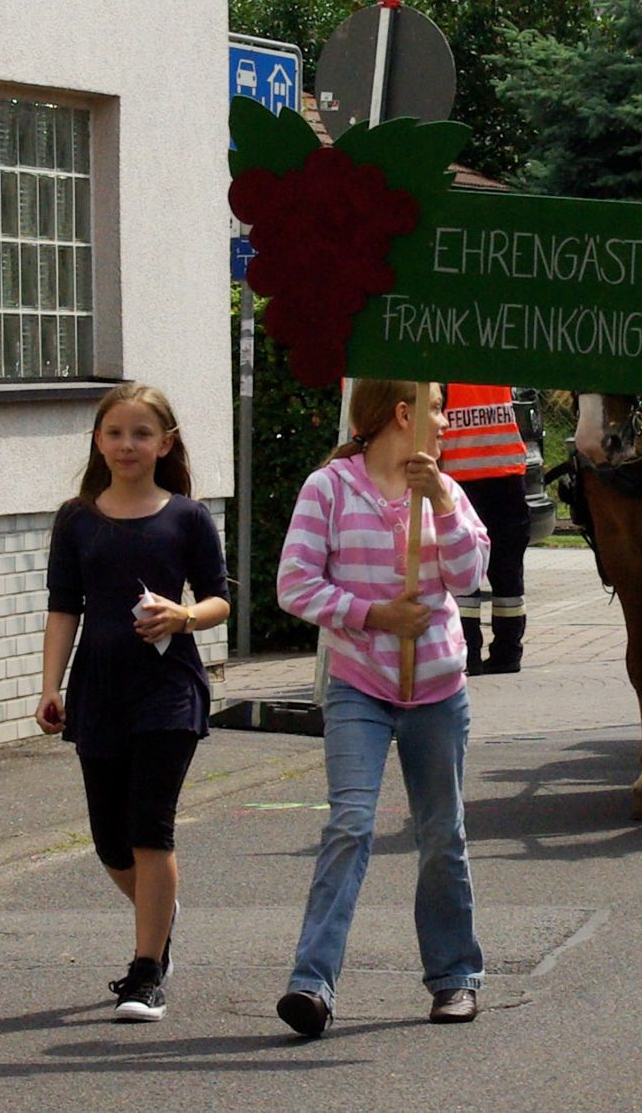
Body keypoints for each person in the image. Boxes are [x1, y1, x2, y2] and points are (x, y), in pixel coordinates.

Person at [276, 380, 492, 1036]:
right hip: (359, 686)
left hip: (437, 690)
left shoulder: (445, 491)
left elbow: (469, 577)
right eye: (438, 407)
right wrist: (374, 615)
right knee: (350, 824)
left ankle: (454, 977)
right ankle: (312, 984)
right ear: (405, 414)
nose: (446, 420)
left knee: (442, 833)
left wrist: (442, 506)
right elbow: (295, 584)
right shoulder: (329, 489)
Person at [37, 383, 229, 1022]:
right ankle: (160, 913)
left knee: (151, 829)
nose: (128, 445)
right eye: (116, 433)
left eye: (142, 434)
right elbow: (63, 607)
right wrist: (50, 686)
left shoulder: (187, 517)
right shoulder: (76, 519)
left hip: (169, 691)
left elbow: (219, 599)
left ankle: (146, 973)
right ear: (98, 440)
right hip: (99, 690)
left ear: (165, 444)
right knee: (111, 844)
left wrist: (184, 615)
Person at [439, 384, 530, 676]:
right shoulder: (495, 360)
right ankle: (508, 652)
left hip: (459, 474)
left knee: (463, 569)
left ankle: (469, 653)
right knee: (508, 572)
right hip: (505, 471)